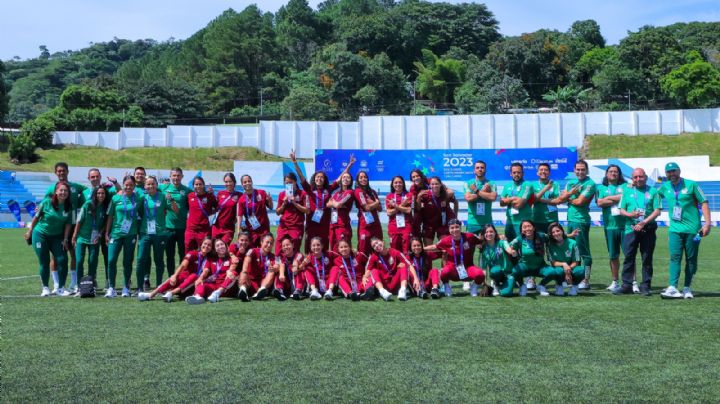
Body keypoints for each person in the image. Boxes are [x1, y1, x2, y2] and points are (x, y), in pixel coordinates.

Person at [658, 162, 712, 299]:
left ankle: (687, 288)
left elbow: (704, 202)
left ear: (679, 171)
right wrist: (632, 185)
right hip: (675, 229)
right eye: (669, 172)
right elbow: (654, 195)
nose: (672, 174)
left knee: (691, 259)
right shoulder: (665, 187)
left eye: (674, 171)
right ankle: (672, 287)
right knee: (675, 257)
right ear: (666, 174)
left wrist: (707, 224)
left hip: (693, 229)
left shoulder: (691, 185)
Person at [290, 150, 355, 253]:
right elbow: (301, 176)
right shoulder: (309, 188)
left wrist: (349, 166)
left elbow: (340, 178)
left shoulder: (328, 189)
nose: (319, 178)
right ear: (314, 179)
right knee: (310, 250)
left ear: (324, 180)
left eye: (321, 177)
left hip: (324, 224)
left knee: (324, 249)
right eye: (317, 177)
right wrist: (294, 162)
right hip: (312, 223)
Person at [614, 168, 661, 296]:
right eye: (635, 177)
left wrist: (643, 222)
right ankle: (626, 285)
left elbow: (657, 211)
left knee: (646, 258)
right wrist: (630, 214)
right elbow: (621, 209)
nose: (638, 179)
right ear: (632, 178)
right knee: (629, 257)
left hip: (648, 228)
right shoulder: (627, 190)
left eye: (640, 176)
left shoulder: (653, 191)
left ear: (645, 177)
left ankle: (645, 286)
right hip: (630, 228)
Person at [45, 162, 87, 294]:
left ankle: (74, 282)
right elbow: (44, 203)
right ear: (56, 173)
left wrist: (82, 202)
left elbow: (87, 190)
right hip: (58, 226)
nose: (61, 173)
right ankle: (56, 284)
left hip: (73, 224)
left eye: (63, 171)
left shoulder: (75, 186)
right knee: (55, 256)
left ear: (68, 172)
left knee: (74, 253)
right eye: (59, 171)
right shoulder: (52, 188)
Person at [25, 182, 73, 296]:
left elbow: (68, 224)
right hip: (41, 235)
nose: (63, 192)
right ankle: (45, 288)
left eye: (65, 190)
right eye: (61, 190)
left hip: (57, 237)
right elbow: (36, 218)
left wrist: (66, 239)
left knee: (63, 260)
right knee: (44, 261)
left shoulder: (69, 206)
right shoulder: (46, 202)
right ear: (56, 192)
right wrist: (30, 231)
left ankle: (61, 288)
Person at [557, 160, 596, 290]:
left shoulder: (590, 184)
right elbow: (560, 199)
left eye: (582, 169)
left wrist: (568, 196)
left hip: (581, 221)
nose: (580, 172)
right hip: (571, 220)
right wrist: (568, 196)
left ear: (587, 170)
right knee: (572, 251)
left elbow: (579, 202)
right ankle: (573, 279)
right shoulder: (571, 183)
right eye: (578, 169)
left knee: (584, 252)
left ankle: (586, 279)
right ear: (574, 170)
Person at [136, 176, 179, 292]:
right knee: (141, 259)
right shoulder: (142, 197)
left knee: (159, 259)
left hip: (159, 233)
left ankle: (159, 285)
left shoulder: (163, 197)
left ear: (156, 185)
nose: (150, 186)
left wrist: (172, 200)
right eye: (148, 184)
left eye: (153, 184)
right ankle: (140, 287)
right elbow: (136, 210)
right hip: (145, 233)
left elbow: (176, 210)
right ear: (145, 186)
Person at [138, 237, 214, 302]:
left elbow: (205, 271)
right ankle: (151, 294)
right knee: (177, 277)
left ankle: (171, 293)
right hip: (182, 282)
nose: (206, 246)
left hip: (192, 286)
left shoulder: (209, 259)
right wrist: (174, 275)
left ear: (211, 248)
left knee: (194, 276)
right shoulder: (193, 253)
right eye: (205, 244)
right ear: (201, 244)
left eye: (209, 245)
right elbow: (183, 265)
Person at [425, 219, 484, 297]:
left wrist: (499, 237)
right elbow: (434, 247)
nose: (455, 230)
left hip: (467, 269)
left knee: (480, 274)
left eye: (457, 227)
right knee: (444, 271)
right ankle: (446, 286)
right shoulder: (446, 240)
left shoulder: (469, 236)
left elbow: (482, 241)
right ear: (449, 230)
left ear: (461, 228)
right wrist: (421, 248)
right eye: (452, 228)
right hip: (453, 270)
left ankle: (474, 287)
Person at [105, 176, 142, 298]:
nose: (128, 187)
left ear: (134, 186)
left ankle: (126, 287)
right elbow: (110, 216)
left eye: (131, 185)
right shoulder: (116, 198)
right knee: (111, 260)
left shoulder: (138, 198)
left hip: (130, 234)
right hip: (116, 233)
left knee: (127, 261)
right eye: (126, 184)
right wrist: (107, 232)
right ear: (123, 185)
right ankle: (111, 287)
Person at [83, 168, 119, 287]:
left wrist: (115, 182)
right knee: (92, 257)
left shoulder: (107, 190)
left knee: (108, 256)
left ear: (100, 177)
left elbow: (120, 192)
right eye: (92, 177)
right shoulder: (84, 193)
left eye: (97, 176)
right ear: (88, 178)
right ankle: (92, 280)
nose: (95, 179)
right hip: (91, 232)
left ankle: (109, 280)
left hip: (106, 231)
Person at [595, 164, 629, 291]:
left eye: (616, 172)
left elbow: (625, 197)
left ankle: (633, 281)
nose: (613, 173)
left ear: (619, 174)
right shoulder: (601, 188)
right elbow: (600, 202)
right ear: (606, 174)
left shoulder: (625, 186)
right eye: (611, 171)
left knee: (629, 256)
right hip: (610, 227)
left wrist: (608, 198)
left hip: (626, 226)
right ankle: (615, 281)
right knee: (613, 256)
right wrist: (617, 199)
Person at [508, 220, 563, 297]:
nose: (527, 229)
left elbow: (555, 236)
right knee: (515, 270)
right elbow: (508, 246)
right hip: (525, 266)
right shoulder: (519, 239)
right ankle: (522, 286)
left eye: (529, 226)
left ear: (534, 228)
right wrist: (512, 250)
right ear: (521, 230)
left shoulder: (541, 236)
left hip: (540, 267)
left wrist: (570, 235)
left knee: (553, 272)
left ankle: (541, 286)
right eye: (524, 227)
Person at [72, 186, 110, 287]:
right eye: (98, 193)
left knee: (93, 261)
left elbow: (105, 223)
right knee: (79, 260)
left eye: (103, 193)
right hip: (82, 237)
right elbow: (79, 221)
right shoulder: (88, 204)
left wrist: (100, 233)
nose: (100, 195)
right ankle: (79, 284)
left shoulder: (105, 207)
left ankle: (90, 283)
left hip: (95, 238)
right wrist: (75, 235)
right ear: (95, 194)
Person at [159, 167, 192, 278]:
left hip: (183, 228)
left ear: (182, 176)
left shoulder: (187, 191)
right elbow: (148, 187)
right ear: (170, 177)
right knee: (169, 256)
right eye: (174, 175)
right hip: (168, 228)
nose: (176, 178)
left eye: (178, 175)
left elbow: (199, 196)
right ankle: (170, 277)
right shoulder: (163, 189)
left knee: (183, 255)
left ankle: (182, 277)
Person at [186, 239, 241, 304]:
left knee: (233, 273)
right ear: (215, 249)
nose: (220, 247)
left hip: (227, 288)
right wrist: (200, 278)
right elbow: (205, 271)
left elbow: (234, 264)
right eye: (217, 245)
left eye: (222, 244)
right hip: (215, 286)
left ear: (226, 246)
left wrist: (229, 271)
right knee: (201, 282)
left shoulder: (231, 258)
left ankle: (218, 293)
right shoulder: (211, 259)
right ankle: (198, 297)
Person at [363, 237, 418, 301]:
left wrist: (416, 278)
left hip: (395, 282)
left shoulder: (395, 252)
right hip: (384, 285)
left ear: (383, 241)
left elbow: (409, 265)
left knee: (403, 266)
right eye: (374, 246)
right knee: (374, 271)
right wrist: (364, 277)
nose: (377, 246)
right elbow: (368, 270)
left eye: (377, 242)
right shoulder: (373, 257)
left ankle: (403, 290)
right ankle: (382, 292)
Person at [237, 233, 281, 301]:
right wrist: (245, 271)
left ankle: (261, 291)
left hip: (263, 283)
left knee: (271, 272)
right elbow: (247, 259)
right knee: (243, 272)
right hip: (250, 282)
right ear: (261, 242)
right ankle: (243, 290)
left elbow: (278, 265)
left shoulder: (273, 256)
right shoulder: (253, 251)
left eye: (271, 243)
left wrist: (276, 268)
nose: (269, 245)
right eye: (267, 242)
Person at [417, 176, 457, 246]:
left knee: (445, 247)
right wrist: (419, 197)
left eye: (436, 184)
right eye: (432, 184)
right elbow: (418, 208)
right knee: (428, 249)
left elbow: (455, 201)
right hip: (429, 224)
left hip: (442, 224)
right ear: (429, 185)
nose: (434, 186)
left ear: (440, 184)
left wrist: (455, 215)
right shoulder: (425, 195)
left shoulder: (445, 193)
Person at [275, 172, 309, 254]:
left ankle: (293, 266)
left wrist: (295, 203)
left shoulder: (303, 194)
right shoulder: (282, 194)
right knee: (278, 249)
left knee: (294, 250)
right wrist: (284, 204)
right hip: (284, 226)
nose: (289, 185)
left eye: (291, 182)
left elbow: (307, 210)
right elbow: (277, 212)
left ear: (295, 182)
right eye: (286, 183)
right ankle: (279, 265)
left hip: (296, 226)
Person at [479, 224, 516, 297]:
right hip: (496, 274)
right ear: (484, 234)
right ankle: (496, 283)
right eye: (486, 232)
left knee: (506, 293)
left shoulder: (502, 242)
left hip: (507, 273)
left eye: (491, 232)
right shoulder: (483, 249)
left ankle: (503, 286)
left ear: (495, 233)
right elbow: (483, 269)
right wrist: (485, 284)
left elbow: (508, 249)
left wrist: (512, 252)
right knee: (495, 270)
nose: (489, 234)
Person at [547, 222, 583, 296]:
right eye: (553, 232)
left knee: (582, 270)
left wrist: (568, 270)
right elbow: (553, 263)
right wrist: (564, 264)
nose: (556, 233)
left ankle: (574, 286)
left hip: (571, 268)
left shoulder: (573, 243)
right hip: (559, 269)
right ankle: (559, 285)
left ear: (562, 231)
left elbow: (576, 262)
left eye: (558, 231)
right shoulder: (550, 245)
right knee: (555, 271)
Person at [236, 174, 272, 247]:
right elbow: (239, 216)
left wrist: (270, 201)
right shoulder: (241, 200)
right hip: (251, 230)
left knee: (264, 250)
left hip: (264, 228)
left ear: (252, 182)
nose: (247, 183)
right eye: (245, 182)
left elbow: (271, 207)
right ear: (242, 184)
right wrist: (238, 231)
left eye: (249, 181)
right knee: (252, 252)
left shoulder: (261, 193)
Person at [464, 160, 497, 234]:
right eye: (477, 167)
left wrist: (476, 191)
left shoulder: (491, 183)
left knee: (487, 245)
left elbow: (493, 197)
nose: (480, 169)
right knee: (470, 245)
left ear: (485, 169)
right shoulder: (468, 183)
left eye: (482, 167)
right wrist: (484, 192)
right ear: (474, 170)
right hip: (473, 223)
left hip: (487, 222)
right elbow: (469, 198)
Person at [354, 171, 383, 255]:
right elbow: (366, 208)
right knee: (363, 250)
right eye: (361, 177)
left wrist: (373, 203)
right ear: (358, 180)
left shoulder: (373, 192)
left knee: (378, 248)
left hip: (376, 224)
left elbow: (380, 209)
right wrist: (375, 203)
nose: (363, 179)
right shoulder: (358, 191)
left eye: (365, 177)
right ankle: (363, 268)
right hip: (365, 225)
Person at [185, 176, 217, 251]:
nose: (198, 186)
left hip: (204, 230)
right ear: (193, 186)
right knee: (188, 251)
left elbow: (216, 207)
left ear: (203, 185)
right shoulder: (190, 196)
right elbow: (187, 208)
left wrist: (212, 194)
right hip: (191, 230)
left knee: (204, 252)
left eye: (200, 184)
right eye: (196, 184)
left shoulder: (209, 196)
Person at [327, 171, 355, 252]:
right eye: (344, 177)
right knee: (333, 248)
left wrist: (335, 203)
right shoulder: (336, 193)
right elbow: (328, 204)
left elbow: (337, 205)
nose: (346, 179)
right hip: (333, 224)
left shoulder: (350, 192)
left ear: (351, 181)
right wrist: (335, 204)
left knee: (343, 248)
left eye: (348, 177)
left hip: (342, 225)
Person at [386, 175, 414, 253]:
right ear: (392, 184)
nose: (398, 184)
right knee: (394, 251)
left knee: (407, 250)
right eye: (395, 182)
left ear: (403, 184)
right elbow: (389, 212)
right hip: (393, 227)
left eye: (400, 182)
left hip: (406, 226)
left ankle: (406, 265)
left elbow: (408, 210)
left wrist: (394, 206)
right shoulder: (389, 196)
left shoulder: (409, 195)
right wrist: (402, 206)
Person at [211, 173, 241, 244]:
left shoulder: (239, 195)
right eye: (226, 182)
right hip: (216, 227)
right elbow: (214, 207)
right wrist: (210, 195)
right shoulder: (220, 193)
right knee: (213, 249)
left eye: (230, 181)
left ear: (234, 182)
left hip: (228, 229)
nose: (228, 183)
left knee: (223, 248)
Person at [531, 163, 560, 234]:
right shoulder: (532, 185)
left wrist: (540, 199)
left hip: (552, 219)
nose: (543, 171)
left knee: (552, 243)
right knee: (538, 243)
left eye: (546, 170)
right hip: (537, 219)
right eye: (541, 170)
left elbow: (558, 201)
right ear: (537, 173)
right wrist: (546, 188)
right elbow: (533, 200)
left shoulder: (555, 184)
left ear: (549, 173)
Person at [274, 236, 305, 301]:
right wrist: (281, 274)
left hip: (298, 282)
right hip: (287, 283)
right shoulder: (282, 256)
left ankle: (298, 291)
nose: (286, 247)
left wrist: (296, 266)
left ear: (293, 245)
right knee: (279, 272)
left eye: (288, 245)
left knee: (300, 271)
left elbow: (296, 260)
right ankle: (280, 290)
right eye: (284, 246)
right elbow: (281, 265)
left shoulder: (299, 254)